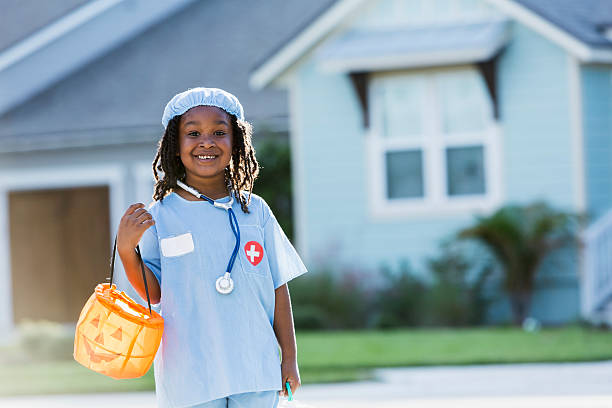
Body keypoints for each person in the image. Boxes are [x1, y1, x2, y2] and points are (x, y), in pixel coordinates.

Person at [116, 87, 307, 408]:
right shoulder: (160, 215)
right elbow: (155, 294)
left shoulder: (255, 211)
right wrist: (127, 252)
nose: (207, 142)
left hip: (254, 367)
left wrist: (289, 359)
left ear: (236, 142)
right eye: (193, 133)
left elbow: (278, 288)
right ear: (175, 146)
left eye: (220, 132)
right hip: (190, 374)